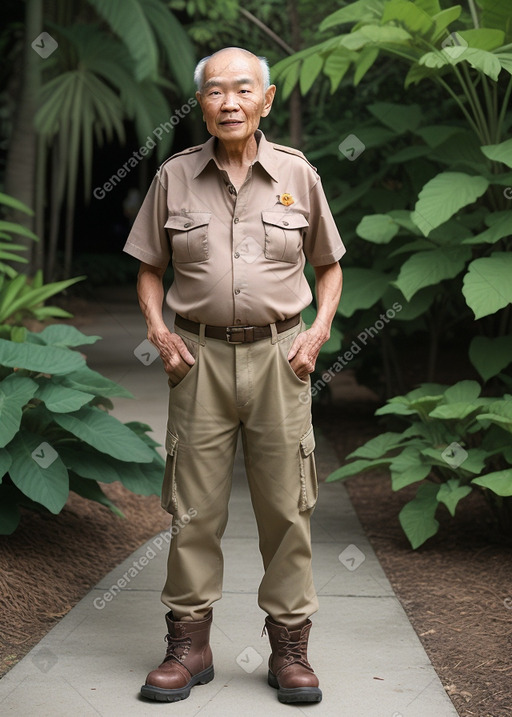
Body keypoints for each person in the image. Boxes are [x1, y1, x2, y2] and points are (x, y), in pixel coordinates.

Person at [123, 46, 345, 705]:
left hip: (282, 357)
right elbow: (149, 267)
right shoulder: (174, 176)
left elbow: (329, 266)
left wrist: (317, 333)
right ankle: (189, 646)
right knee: (192, 508)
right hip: (199, 359)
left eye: (241, 89)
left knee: (288, 507)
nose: (228, 102)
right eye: (215, 91)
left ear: (266, 100)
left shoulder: (297, 175)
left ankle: (289, 649)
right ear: (201, 106)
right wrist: (159, 333)